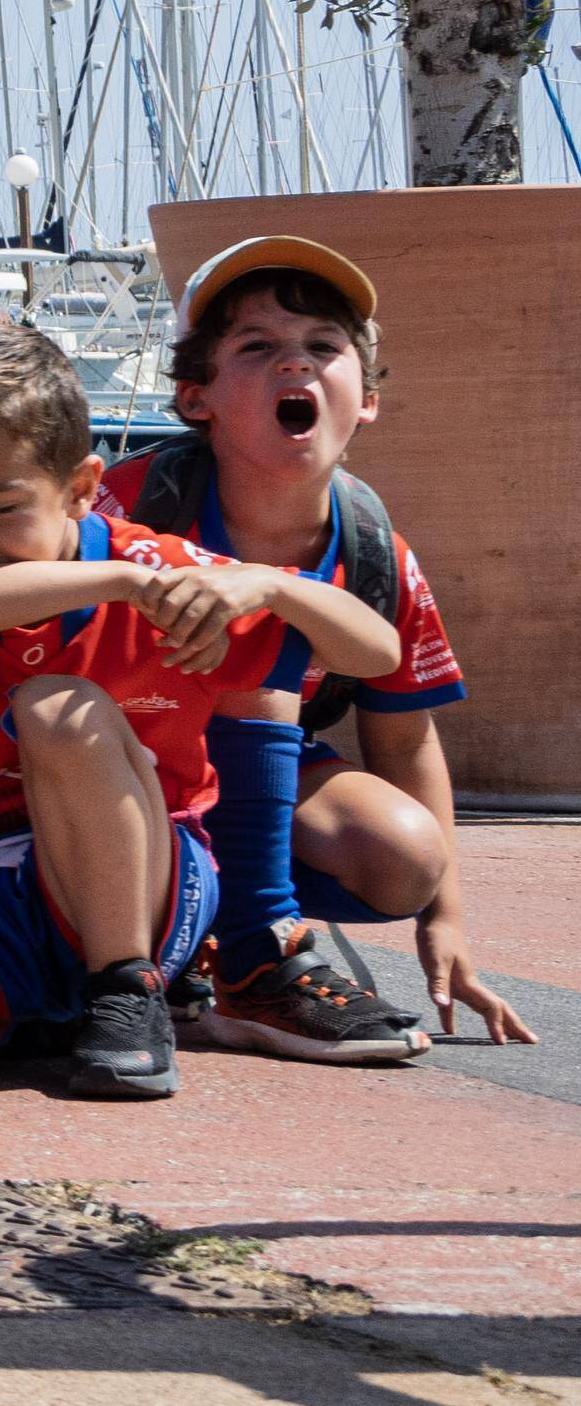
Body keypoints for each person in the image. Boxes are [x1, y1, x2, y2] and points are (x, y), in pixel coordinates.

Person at [0, 324, 404, 1103]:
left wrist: (276, 587)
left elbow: (377, 653)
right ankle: (46, 1013)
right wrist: (119, 583)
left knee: (57, 707)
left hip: (142, 876)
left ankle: (127, 989)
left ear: (84, 486)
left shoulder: (164, 568)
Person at [99, 237, 517, 1051]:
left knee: (402, 852)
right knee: (258, 634)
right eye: (257, 348)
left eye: (324, 348)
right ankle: (249, 956)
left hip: (251, 767)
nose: (297, 365)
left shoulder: (373, 552)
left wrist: (447, 921)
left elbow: (405, 735)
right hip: (119, 763)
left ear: (365, 399)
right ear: (196, 397)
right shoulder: (130, 505)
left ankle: (216, 940)